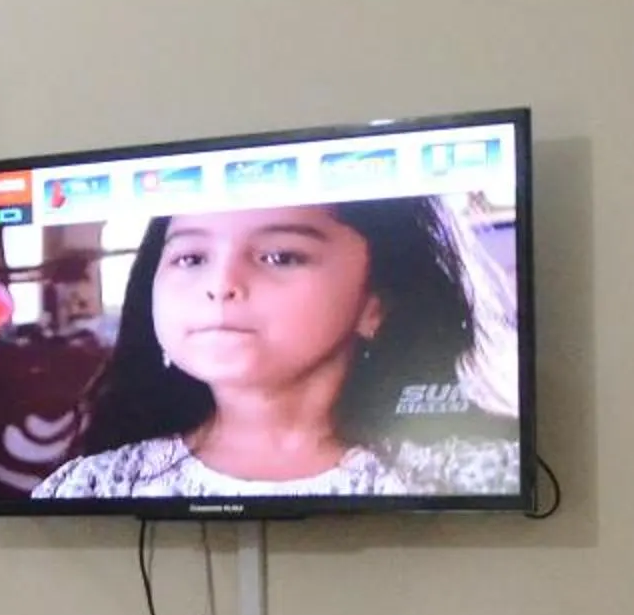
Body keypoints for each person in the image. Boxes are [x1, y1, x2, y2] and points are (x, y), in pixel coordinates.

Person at [30, 195, 521, 500]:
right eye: (191, 256)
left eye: (279, 256)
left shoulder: (480, 473)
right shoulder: (90, 487)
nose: (220, 285)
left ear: (377, 303)